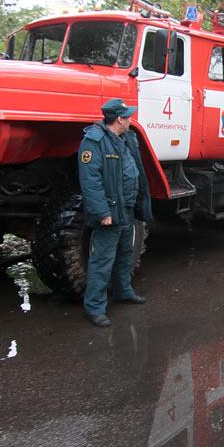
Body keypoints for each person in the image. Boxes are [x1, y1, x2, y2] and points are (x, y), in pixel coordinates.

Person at [78, 98, 154, 327]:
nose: (131, 119)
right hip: (110, 211)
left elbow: (135, 170)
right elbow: (90, 182)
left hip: (127, 208)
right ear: (119, 119)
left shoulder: (126, 138)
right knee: (102, 260)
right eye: (128, 116)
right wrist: (102, 213)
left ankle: (123, 291)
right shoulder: (94, 142)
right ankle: (94, 308)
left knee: (124, 253)